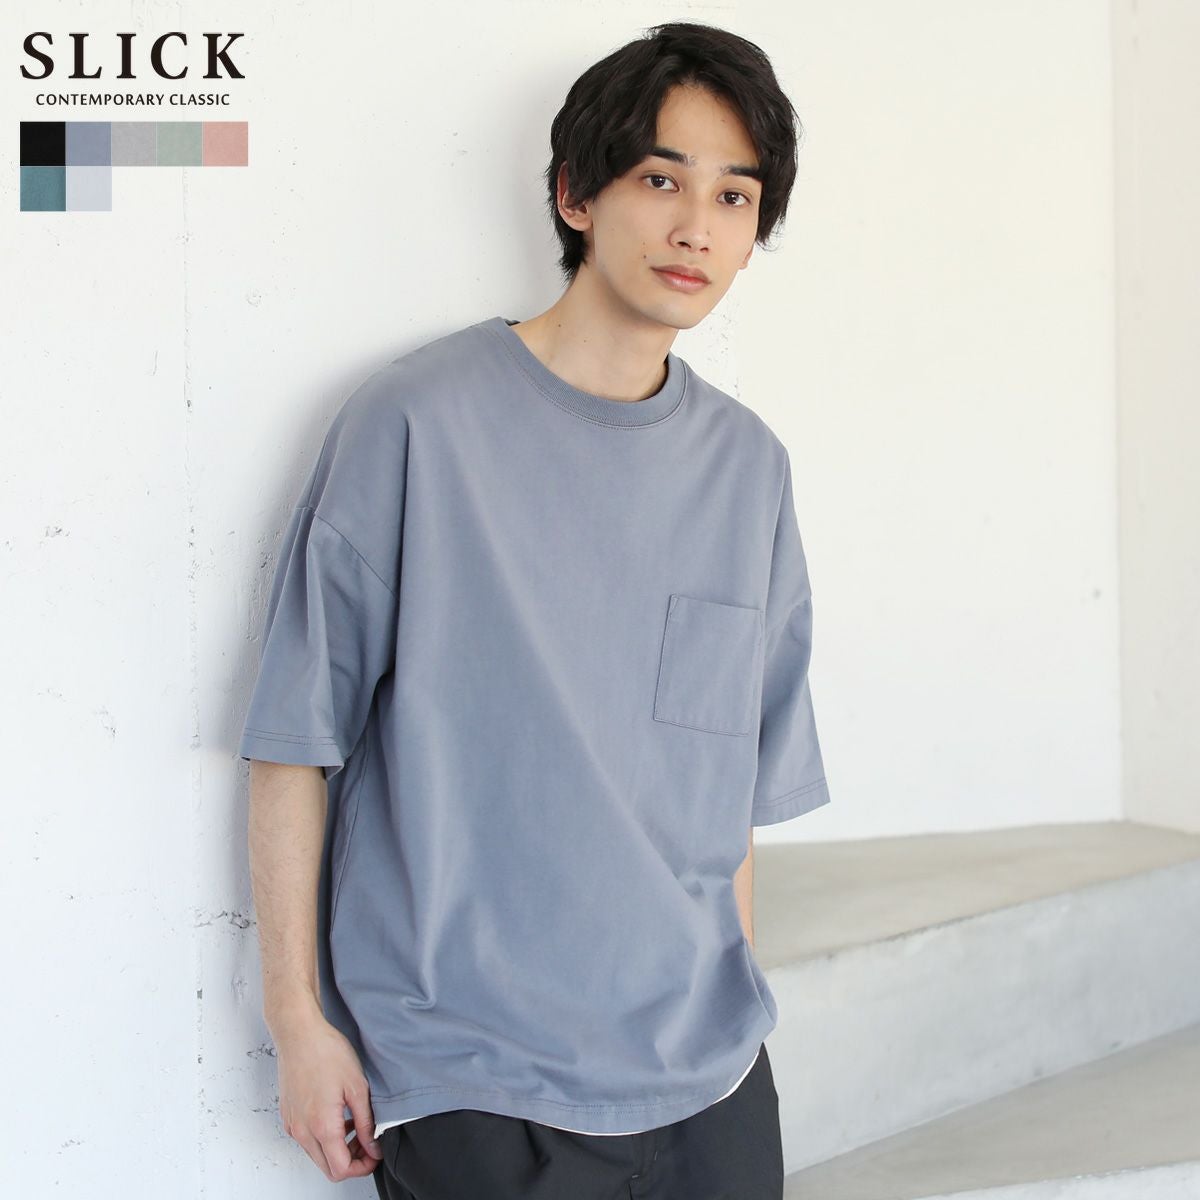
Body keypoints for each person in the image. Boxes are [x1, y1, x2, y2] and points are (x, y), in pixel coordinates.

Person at [239, 19, 831, 1200]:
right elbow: (293, 742)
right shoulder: (415, 424)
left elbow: (729, 801)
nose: (696, 227)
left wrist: (735, 989)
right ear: (574, 195)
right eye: (660, 179)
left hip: (710, 1080)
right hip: (476, 1081)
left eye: (733, 195)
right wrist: (298, 1023)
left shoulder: (749, 470)